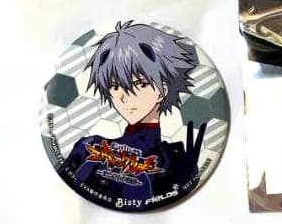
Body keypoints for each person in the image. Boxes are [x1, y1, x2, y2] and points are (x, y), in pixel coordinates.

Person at [59, 22, 207, 210]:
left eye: (140, 84)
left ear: (162, 90)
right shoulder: (88, 147)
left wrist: (184, 181)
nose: (125, 96)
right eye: (115, 86)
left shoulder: (173, 163)